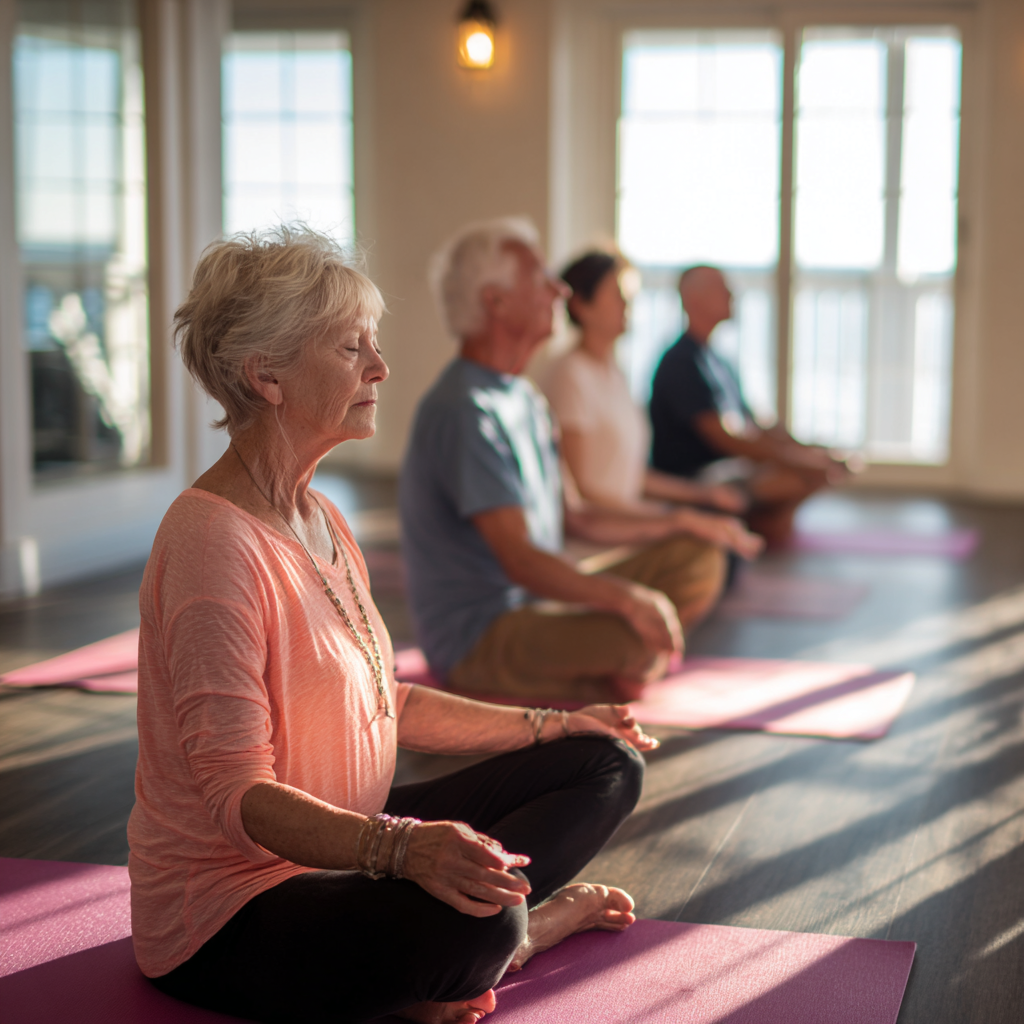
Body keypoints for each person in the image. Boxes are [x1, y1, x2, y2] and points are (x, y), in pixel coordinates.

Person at [128, 226, 658, 1024]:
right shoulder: (210, 544)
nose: (380, 367)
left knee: (603, 760)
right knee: (484, 917)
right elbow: (238, 797)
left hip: (350, 833)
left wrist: (553, 725)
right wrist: (406, 850)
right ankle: (511, 938)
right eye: (351, 349)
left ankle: (442, 964)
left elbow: (390, 704)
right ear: (264, 374)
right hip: (231, 909)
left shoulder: (322, 517)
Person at [399, 219, 759, 706]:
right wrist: (627, 599)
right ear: (496, 301)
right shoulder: (465, 409)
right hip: (483, 637)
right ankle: (595, 671)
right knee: (638, 636)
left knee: (698, 556)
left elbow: (578, 516)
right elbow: (520, 559)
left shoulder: (524, 396)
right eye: (540, 278)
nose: (560, 289)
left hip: (538, 604)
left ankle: (600, 672)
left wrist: (686, 521)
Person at [649, 265, 852, 547]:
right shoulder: (680, 363)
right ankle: (758, 527)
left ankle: (763, 526)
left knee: (830, 464)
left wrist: (812, 450)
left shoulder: (720, 360)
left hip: (734, 467)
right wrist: (800, 460)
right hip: (698, 479)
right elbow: (727, 440)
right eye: (722, 288)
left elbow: (757, 425)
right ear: (693, 299)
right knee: (805, 471)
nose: (732, 295)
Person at [543, 250, 753, 520]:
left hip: (628, 518)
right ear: (582, 305)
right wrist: (664, 518)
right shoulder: (570, 375)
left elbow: (630, 478)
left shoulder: (614, 373)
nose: (627, 302)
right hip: (602, 531)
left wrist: (703, 495)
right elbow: (579, 494)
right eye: (617, 293)